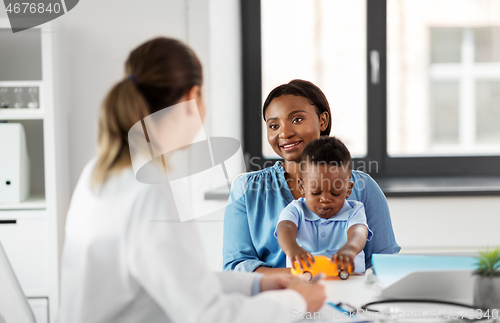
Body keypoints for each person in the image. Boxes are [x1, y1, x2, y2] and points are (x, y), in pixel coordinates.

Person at [57, 38, 325, 323]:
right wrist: (297, 301)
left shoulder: (99, 173)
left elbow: (180, 278)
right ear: (192, 98)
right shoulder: (149, 192)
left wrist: (257, 284)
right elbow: (210, 316)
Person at [223, 79, 400, 274]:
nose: (285, 133)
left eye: (297, 120)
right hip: (276, 300)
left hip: (348, 298)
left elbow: (383, 264)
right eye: (274, 126)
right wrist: (307, 275)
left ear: (322, 121)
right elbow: (236, 266)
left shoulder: (363, 187)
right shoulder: (247, 189)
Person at [276, 137, 372, 275]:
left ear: (348, 189)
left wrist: (350, 248)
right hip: (306, 280)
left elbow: (359, 232)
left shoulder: (354, 210)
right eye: (316, 192)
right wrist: (292, 249)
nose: (325, 199)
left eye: (335, 193)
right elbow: (284, 228)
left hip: (348, 279)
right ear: (302, 187)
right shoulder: (295, 210)